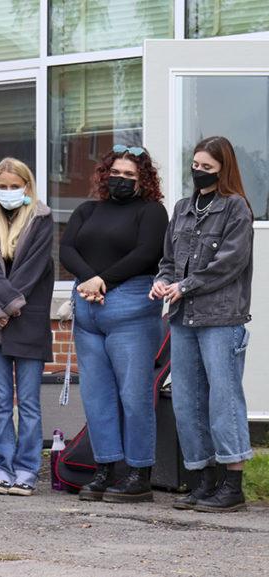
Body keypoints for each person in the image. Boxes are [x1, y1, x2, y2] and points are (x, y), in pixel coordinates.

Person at [59, 144, 167, 503]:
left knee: (134, 396)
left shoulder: (151, 212)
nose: (120, 180)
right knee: (97, 396)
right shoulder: (87, 209)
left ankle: (139, 472)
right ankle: (104, 467)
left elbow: (148, 253)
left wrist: (103, 280)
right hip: (88, 309)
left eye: (129, 176)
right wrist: (91, 279)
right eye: (115, 173)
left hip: (131, 310)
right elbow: (67, 250)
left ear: (143, 181)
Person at [152, 136, 254, 513]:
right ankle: (202, 479)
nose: (198, 172)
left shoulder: (236, 209)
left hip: (221, 319)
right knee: (186, 400)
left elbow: (229, 263)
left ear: (223, 169)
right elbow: (168, 260)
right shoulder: (181, 208)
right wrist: (161, 282)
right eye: (194, 165)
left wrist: (185, 285)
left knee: (223, 399)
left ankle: (233, 484)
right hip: (182, 319)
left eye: (206, 167)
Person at [0, 158, 54, 497]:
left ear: (26, 186)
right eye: (1, 186)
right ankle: (2, 468)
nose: (7, 192)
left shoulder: (42, 219)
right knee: (1, 401)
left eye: (13, 186)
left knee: (30, 402)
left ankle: (27, 470)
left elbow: (31, 271)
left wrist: (7, 307)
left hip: (28, 318)